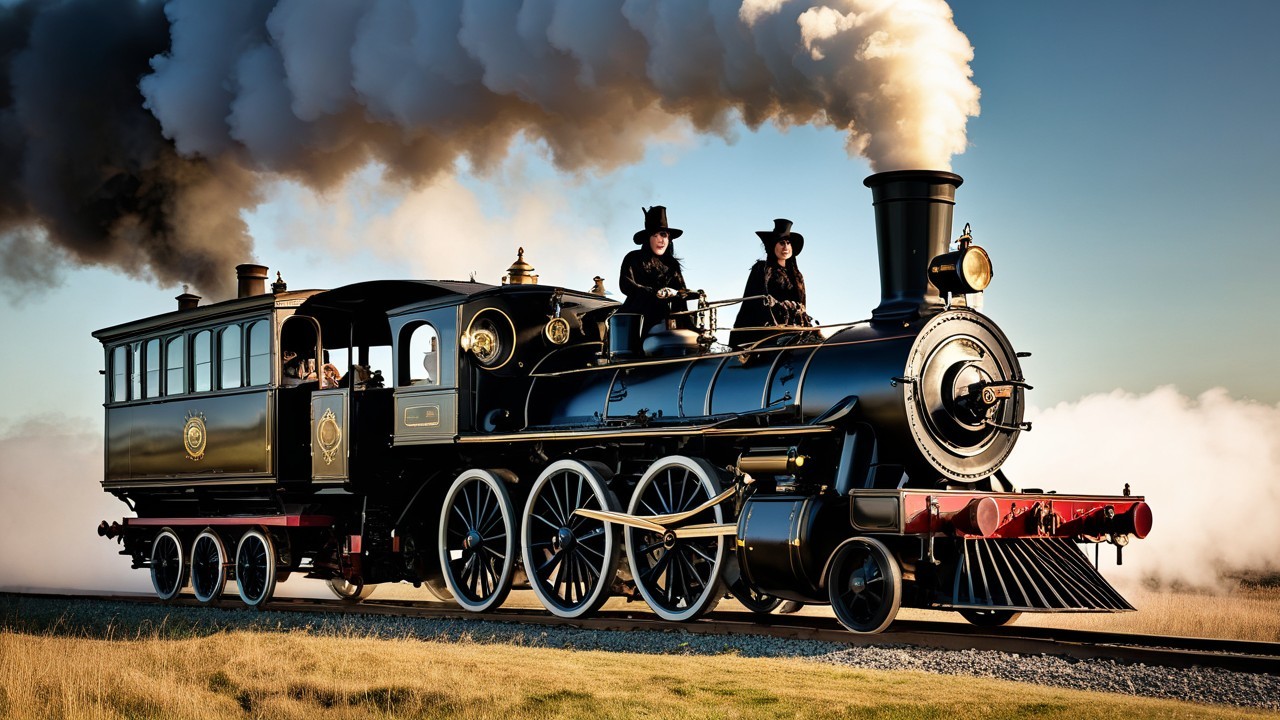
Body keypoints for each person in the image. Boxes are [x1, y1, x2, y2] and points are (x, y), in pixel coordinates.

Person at [730, 218, 812, 348]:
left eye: (788, 243)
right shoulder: (761, 269)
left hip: (794, 328)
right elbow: (755, 301)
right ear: (773, 246)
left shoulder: (797, 276)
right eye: (781, 243)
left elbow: (802, 305)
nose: (786, 247)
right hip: (767, 329)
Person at [618, 205, 693, 331]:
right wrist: (655, 293)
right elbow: (626, 285)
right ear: (648, 238)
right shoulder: (633, 258)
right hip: (636, 320)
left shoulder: (672, 265)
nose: (660, 240)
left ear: (669, 239)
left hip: (666, 322)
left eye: (664, 235)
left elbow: (682, 294)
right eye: (655, 235)